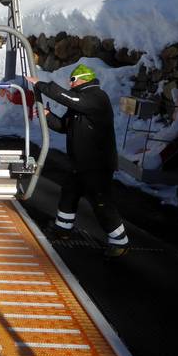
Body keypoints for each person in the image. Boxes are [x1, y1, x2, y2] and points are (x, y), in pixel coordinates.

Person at [25, 63, 130, 259]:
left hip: (97, 164)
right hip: (80, 163)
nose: (70, 83)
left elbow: (68, 98)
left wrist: (41, 85)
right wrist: (48, 116)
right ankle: (63, 229)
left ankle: (120, 241)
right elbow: (65, 126)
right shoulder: (80, 102)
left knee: (100, 202)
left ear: (84, 79)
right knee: (69, 193)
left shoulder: (96, 97)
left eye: (72, 80)